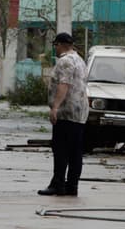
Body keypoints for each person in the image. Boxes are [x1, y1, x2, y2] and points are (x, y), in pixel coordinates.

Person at [38, 31, 88, 196]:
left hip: (66, 113)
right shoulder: (80, 60)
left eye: (55, 45)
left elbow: (63, 84)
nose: (55, 49)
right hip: (80, 113)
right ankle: (72, 186)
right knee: (75, 152)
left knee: (60, 150)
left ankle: (58, 185)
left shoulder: (64, 61)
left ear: (59, 45)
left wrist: (55, 107)